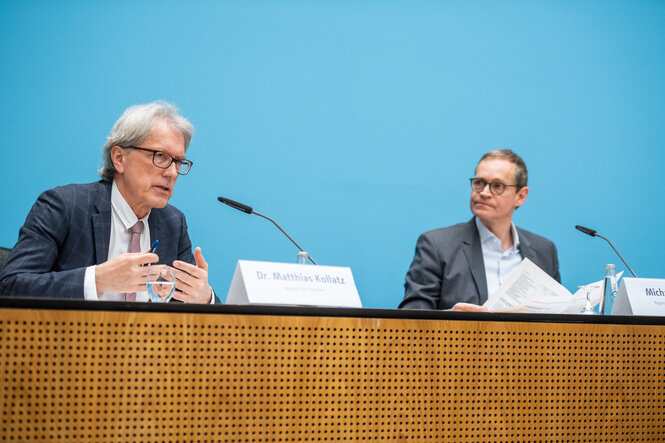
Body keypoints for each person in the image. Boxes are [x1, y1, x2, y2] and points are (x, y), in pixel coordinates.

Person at [0, 101, 216, 303]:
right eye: (160, 156)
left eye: (178, 162)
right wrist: (97, 280)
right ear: (120, 158)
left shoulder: (173, 222)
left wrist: (204, 297)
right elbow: (10, 286)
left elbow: (189, 316)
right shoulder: (65, 206)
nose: (172, 173)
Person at [399, 149, 559, 311]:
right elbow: (410, 318)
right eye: (479, 183)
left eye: (497, 186)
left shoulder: (544, 251)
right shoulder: (437, 245)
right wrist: (449, 319)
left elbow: (558, 318)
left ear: (521, 196)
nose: (483, 193)